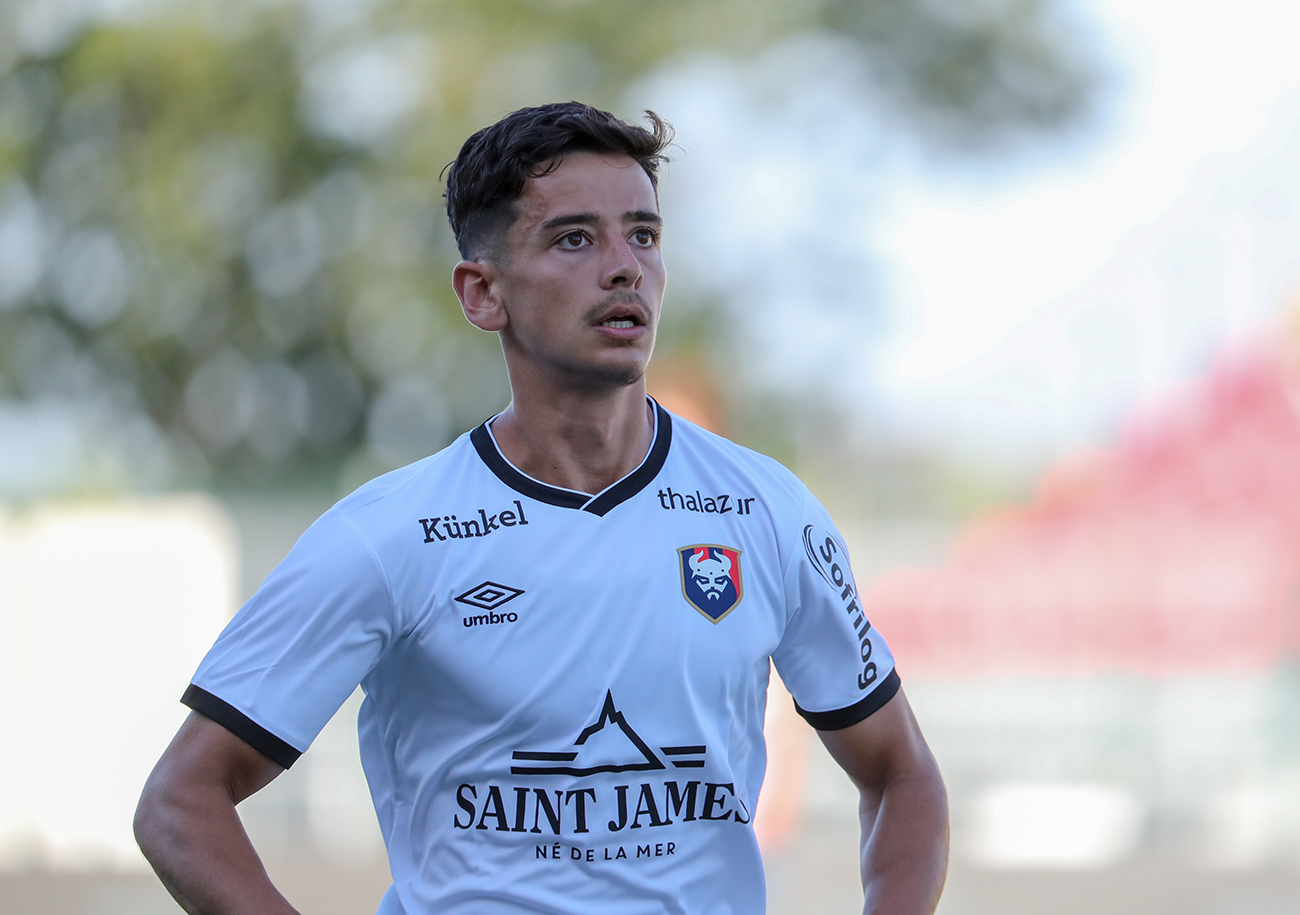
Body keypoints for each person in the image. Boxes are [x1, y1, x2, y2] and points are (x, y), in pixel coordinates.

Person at [134, 101, 949, 915]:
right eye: (575, 238)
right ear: (482, 292)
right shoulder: (389, 534)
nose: (626, 266)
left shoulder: (766, 511)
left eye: (644, 234)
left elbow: (901, 770)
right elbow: (181, 799)